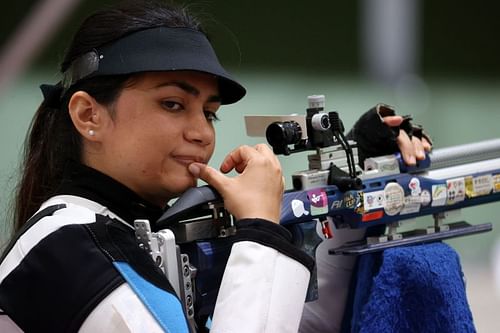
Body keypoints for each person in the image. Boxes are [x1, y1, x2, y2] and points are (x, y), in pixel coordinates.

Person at [0, 1, 431, 332]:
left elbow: (301, 324)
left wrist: (361, 193)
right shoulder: (67, 246)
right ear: (88, 116)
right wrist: (261, 231)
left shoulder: (128, 233)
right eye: (172, 104)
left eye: (209, 113)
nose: (202, 134)